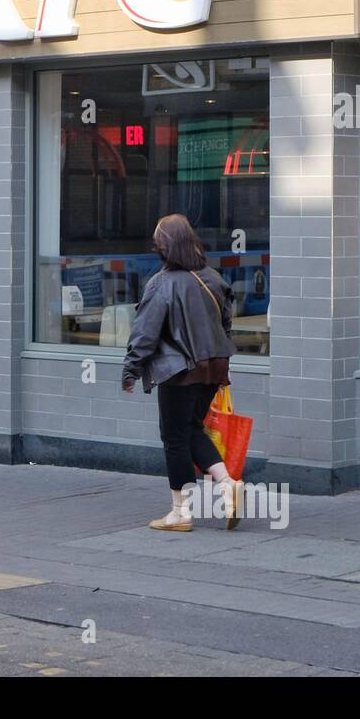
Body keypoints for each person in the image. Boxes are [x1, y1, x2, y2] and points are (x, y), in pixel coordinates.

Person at [121, 214, 242, 531]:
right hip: (214, 367)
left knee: (174, 437)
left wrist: (131, 369)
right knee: (191, 429)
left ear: (164, 247)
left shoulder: (162, 284)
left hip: (179, 371)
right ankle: (227, 482)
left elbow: (145, 333)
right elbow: (226, 323)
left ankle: (180, 511)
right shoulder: (214, 278)